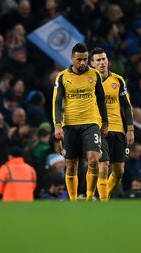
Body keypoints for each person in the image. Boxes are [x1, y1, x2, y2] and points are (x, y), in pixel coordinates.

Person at [52, 43, 108, 200]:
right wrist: (57, 125)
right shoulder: (62, 76)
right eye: (79, 60)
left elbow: (102, 100)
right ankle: (73, 199)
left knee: (94, 159)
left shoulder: (94, 74)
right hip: (70, 124)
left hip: (91, 123)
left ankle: (90, 195)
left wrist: (105, 123)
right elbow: (56, 102)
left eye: (85, 59)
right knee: (71, 164)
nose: (83, 63)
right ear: (72, 58)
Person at [89, 47, 134, 200]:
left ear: (108, 61)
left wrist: (130, 130)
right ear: (92, 64)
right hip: (99, 129)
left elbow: (127, 106)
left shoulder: (118, 80)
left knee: (119, 170)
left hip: (118, 129)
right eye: (98, 60)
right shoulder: (89, 82)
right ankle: (103, 203)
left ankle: (104, 196)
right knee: (104, 164)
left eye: (103, 59)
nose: (102, 62)